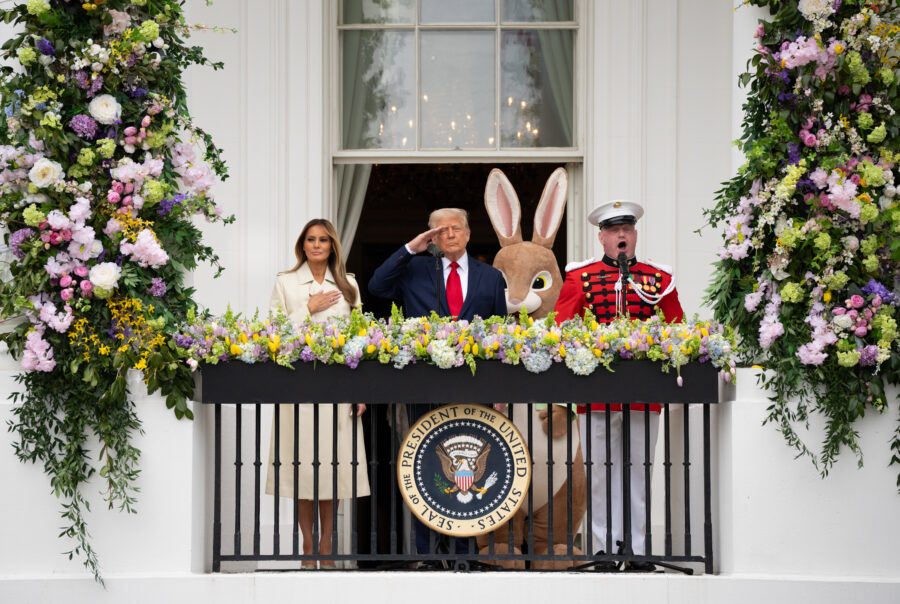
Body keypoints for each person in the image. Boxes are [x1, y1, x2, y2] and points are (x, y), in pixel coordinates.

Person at [367, 208, 507, 562]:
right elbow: (376, 286)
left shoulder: (491, 278)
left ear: (469, 233)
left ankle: (464, 554)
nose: (449, 235)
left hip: (474, 393)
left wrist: (501, 394)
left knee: (470, 470)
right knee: (426, 470)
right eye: (440, 230)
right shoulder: (414, 270)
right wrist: (410, 249)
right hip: (424, 391)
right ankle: (426, 554)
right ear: (430, 236)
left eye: (456, 228)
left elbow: (503, 337)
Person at [553, 200, 684, 572]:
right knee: (598, 472)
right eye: (613, 231)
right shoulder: (581, 277)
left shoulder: (658, 278)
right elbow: (562, 328)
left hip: (644, 394)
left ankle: (639, 549)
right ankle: (605, 549)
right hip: (595, 392)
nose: (621, 235)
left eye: (626, 229)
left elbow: (677, 327)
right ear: (602, 237)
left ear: (635, 234)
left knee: (639, 469)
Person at [265, 218, 369, 569]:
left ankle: (327, 545)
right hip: (299, 390)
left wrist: (360, 392)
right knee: (303, 471)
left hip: (338, 390)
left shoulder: (349, 284)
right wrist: (307, 309)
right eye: (310, 239)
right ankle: (308, 547)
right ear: (302, 245)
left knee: (334, 470)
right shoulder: (286, 282)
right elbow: (274, 333)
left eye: (323, 240)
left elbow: (360, 340)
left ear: (332, 246)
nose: (316, 245)